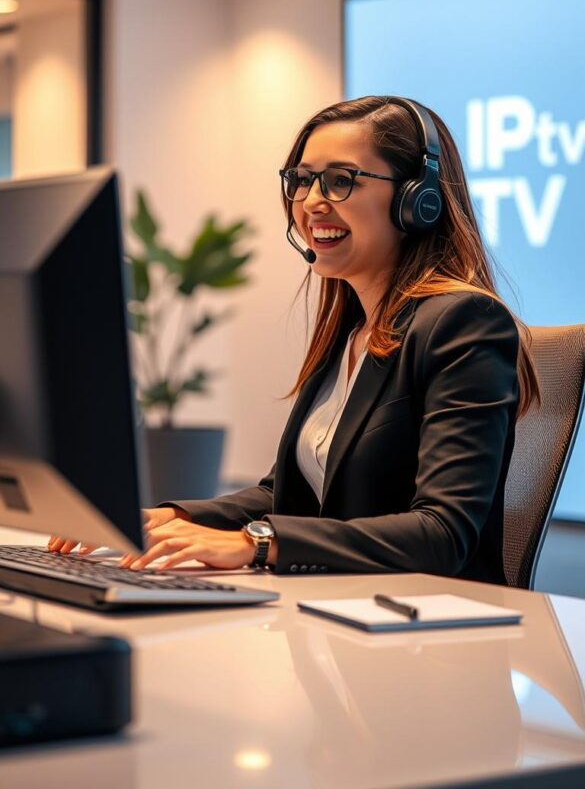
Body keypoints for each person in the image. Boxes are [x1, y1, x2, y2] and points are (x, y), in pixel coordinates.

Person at [49, 95, 539, 583]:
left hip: (432, 636)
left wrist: (258, 543)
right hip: (338, 617)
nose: (310, 201)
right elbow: (287, 493)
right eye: (302, 180)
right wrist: (177, 517)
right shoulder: (352, 332)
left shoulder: (464, 321)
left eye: (341, 180)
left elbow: (443, 533)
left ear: (418, 200)